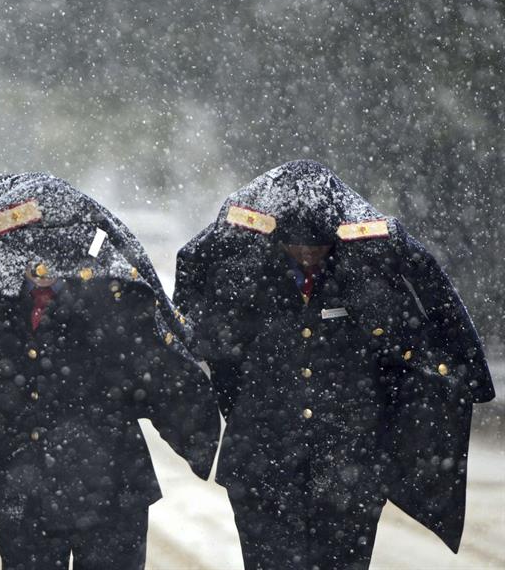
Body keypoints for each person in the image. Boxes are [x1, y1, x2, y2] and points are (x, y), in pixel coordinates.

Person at [173, 160, 495, 570]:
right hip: (263, 466)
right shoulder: (244, 279)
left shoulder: (369, 277)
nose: (307, 255)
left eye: (318, 246)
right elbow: (214, 351)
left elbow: (414, 344)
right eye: (297, 246)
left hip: (351, 467)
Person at [0, 172, 220, 570]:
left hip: (111, 493)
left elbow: (161, 375)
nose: (41, 263)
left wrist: (203, 436)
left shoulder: (113, 300)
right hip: (22, 498)